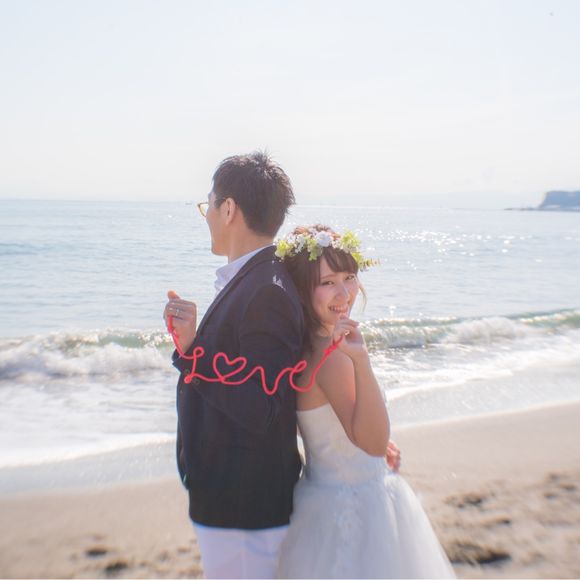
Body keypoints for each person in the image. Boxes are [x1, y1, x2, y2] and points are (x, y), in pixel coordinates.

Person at [275, 225, 455, 579]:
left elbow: (322, 425)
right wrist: (361, 361)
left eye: (349, 277)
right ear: (302, 289)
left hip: (318, 498)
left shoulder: (303, 348)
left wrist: (361, 444)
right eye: (327, 282)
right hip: (356, 504)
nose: (344, 293)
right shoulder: (333, 356)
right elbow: (371, 443)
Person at [163, 152, 304, 579]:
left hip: (244, 506)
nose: (206, 216)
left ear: (228, 210)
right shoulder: (258, 278)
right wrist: (192, 346)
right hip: (235, 500)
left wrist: (192, 350)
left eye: (208, 205)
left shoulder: (267, 290)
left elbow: (260, 405)